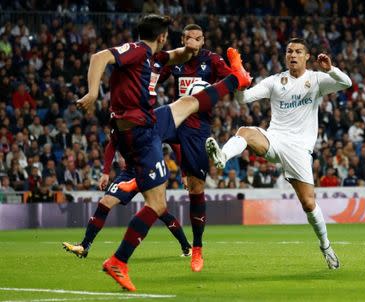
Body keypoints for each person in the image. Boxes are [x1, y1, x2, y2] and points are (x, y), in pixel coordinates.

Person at [75, 14, 251, 291]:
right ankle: (118, 261)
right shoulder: (138, 51)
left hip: (143, 124)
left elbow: (178, 55)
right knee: (157, 205)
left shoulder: (154, 59)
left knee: (189, 103)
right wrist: (93, 93)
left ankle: (236, 79)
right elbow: (99, 58)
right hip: (141, 133)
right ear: (162, 37)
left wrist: (191, 48)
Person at [205, 38, 352, 270]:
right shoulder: (275, 81)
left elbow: (347, 83)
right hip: (274, 139)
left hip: (299, 149)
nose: (293, 55)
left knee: (308, 203)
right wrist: (239, 81)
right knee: (245, 131)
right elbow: (243, 99)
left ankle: (325, 246)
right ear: (285, 56)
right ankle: (222, 157)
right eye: (289, 51)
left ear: (306, 57)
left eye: (298, 52)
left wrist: (330, 69)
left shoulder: (316, 80)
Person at [118, 24, 232, 272]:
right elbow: (153, 75)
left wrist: (232, 77)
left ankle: (197, 248)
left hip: (197, 129)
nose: (193, 41)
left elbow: (232, 80)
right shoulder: (175, 59)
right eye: (188, 37)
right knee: (146, 130)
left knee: (196, 188)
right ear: (182, 39)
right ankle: (134, 177)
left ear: (203, 40)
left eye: (197, 38)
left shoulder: (212, 60)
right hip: (175, 117)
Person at [62, 144, 193, 259]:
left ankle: (187, 247)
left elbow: (176, 145)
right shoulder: (119, 121)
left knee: (160, 211)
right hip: (129, 172)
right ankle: (84, 246)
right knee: (105, 202)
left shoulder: (155, 121)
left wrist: (184, 174)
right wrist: (106, 172)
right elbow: (112, 145)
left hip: (151, 171)